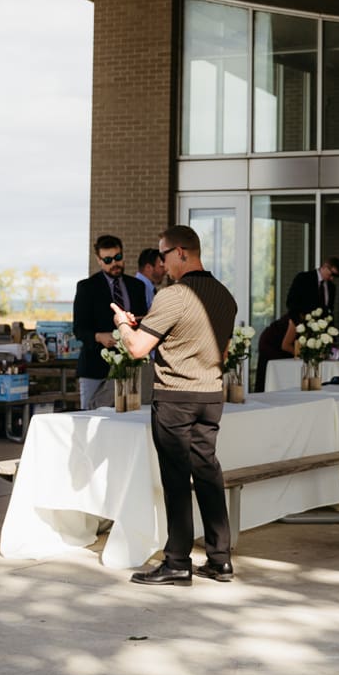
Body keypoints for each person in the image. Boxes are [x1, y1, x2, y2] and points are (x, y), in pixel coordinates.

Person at [112, 225, 239, 587]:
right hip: (211, 395)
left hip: (176, 397)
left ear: (181, 252)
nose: (161, 263)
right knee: (208, 473)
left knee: (176, 480)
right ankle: (220, 559)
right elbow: (223, 350)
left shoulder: (174, 295)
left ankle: (177, 561)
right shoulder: (224, 295)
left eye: (163, 254)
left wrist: (123, 324)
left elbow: (137, 349)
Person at [73, 234, 138, 410]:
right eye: (108, 260)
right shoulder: (86, 287)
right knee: (90, 419)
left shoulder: (136, 286)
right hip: (95, 367)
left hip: (130, 368)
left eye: (118, 257)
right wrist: (98, 337)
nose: (114, 263)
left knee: (128, 419)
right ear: (99, 261)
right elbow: (79, 329)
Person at [287, 256, 339, 322]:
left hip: (323, 328)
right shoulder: (304, 278)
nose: (332, 278)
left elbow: (329, 309)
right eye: (331, 274)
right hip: (302, 325)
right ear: (325, 266)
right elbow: (291, 302)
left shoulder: (331, 287)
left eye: (335, 276)